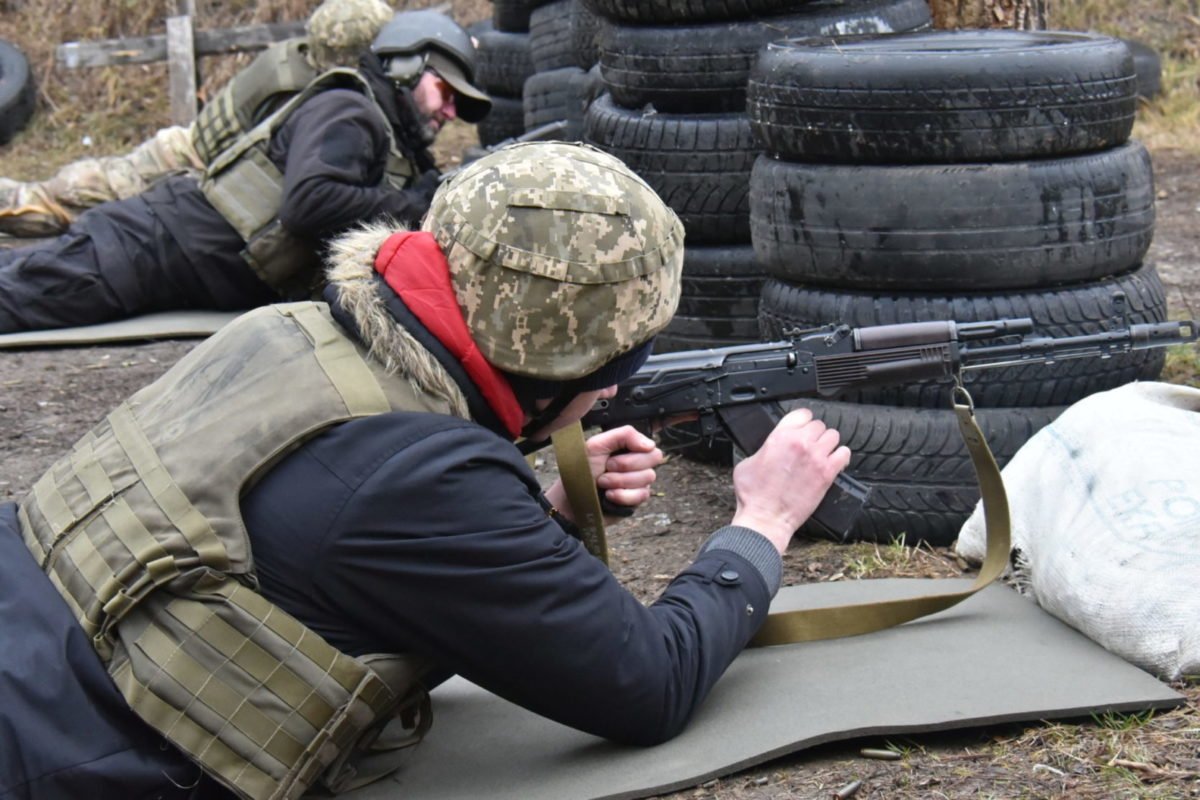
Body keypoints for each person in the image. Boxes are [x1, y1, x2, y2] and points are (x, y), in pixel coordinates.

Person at [0, 142, 851, 799]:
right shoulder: (429, 485)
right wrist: (762, 523)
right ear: (571, 363)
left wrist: (534, 514)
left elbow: (320, 541)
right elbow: (650, 684)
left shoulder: (286, 330)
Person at [0, 8, 492, 333]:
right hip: (144, 250)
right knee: (17, 303)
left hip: (167, 258)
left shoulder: (383, 135)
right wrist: (416, 201)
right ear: (405, 65)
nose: (449, 112)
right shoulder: (350, 109)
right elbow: (311, 204)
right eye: (446, 93)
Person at [0, 0, 396, 238]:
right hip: (179, 164)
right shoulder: (306, 90)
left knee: (68, 198)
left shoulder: (298, 57)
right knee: (57, 208)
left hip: (182, 154)